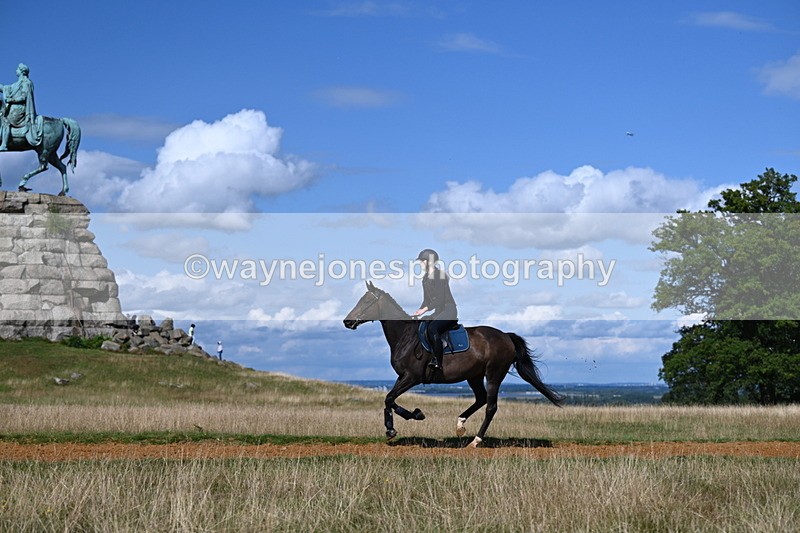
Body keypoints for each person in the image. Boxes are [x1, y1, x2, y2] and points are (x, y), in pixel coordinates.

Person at [412, 248, 458, 370]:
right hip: (438, 312)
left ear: (428, 262)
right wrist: (419, 311)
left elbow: (440, 300)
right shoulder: (425, 278)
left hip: (449, 310)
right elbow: (426, 301)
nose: (420, 264)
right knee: (422, 324)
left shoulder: (440, 276)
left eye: (422, 261)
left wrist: (424, 310)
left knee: (432, 329)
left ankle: (438, 361)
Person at [0, 63, 41, 150]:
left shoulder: (27, 83)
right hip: (13, 109)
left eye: (17, 69)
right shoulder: (16, 84)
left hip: (19, 110)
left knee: (5, 121)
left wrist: (11, 100)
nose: (16, 71)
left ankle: (4, 144)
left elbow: (24, 96)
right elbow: (5, 88)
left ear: (22, 71)